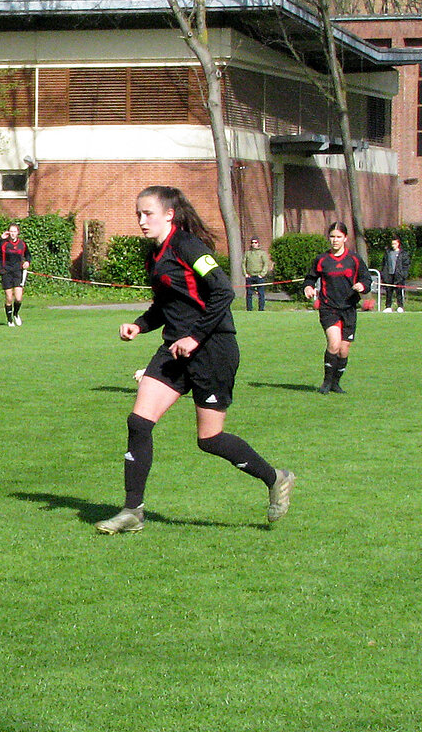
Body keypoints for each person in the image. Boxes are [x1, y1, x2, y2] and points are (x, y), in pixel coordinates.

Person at [96, 186, 295, 535]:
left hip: (213, 350)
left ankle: (275, 477)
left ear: (169, 214)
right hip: (174, 350)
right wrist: (139, 326)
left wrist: (195, 336)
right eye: (138, 214)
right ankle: (132, 510)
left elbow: (223, 291)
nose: (141, 221)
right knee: (139, 423)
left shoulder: (188, 246)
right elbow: (164, 306)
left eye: (148, 214)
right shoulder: (154, 255)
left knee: (209, 439)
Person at [303, 221, 371, 394]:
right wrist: (308, 287)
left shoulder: (354, 259)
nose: (335, 240)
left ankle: (336, 382)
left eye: (338, 237)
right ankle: (326, 382)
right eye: (332, 236)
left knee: (344, 349)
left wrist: (362, 286)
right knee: (333, 344)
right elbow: (310, 278)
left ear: (345, 238)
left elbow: (366, 279)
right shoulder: (322, 260)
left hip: (348, 309)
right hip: (329, 308)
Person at [0, 223, 30, 326]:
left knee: (18, 298)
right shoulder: (3, 243)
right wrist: (0, 238)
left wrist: (27, 262)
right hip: (6, 272)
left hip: (18, 272)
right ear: (8, 232)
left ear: (18, 232)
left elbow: (28, 255)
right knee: (9, 297)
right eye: (11, 231)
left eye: (15, 231)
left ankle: (16, 314)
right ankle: (9, 320)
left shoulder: (22, 244)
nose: (13, 234)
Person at [380, 234, 411, 313]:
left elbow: (406, 265)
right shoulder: (388, 253)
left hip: (398, 275)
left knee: (399, 291)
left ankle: (400, 306)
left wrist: (403, 274)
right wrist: (383, 273)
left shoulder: (403, 253)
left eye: (395, 244)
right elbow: (384, 263)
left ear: (398, 244)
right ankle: (388, 306)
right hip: (389, 274)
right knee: (389, 291)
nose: (393, 245)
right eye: (392, 244)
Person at [242, 236, 272, 311]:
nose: (254, 244)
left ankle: (261, 309)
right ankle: (249, 309)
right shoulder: (248, 253)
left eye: (255, 242)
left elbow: (266, 264)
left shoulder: (262, 253)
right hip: (250, 276)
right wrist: (245, 273)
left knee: (261, 294)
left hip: (259, 277)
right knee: (249, 294)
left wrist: (262, 274)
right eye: (252, 243)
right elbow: (243, 263)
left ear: (258, 243)